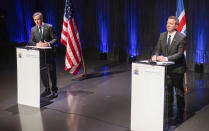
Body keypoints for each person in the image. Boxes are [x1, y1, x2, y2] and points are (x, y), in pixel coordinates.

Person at [151, 16, 186, 125]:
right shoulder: (162, 35)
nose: (168, 25)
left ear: (176, 26)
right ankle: (169, 114)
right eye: (167, 23)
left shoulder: (182, 37)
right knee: (168, 92)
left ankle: (180, 116)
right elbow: (158, 49)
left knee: (179, 93)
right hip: (166, 70)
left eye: (171, 23)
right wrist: (155, 56)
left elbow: (180, 54)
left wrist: (165, 58)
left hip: (178, 70)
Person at [30, 12, 58, 98]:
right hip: (40, 54)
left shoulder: (49, 27)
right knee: (43, 72)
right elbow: (31, 41)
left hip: (50, 54)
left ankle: (54, 90)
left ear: (42, 19)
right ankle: (47, 89)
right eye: (35, 20)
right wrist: (37, 44)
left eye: (38, 19)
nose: (36, 21)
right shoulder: (33, 29)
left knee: (52, 72)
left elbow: (55, 39)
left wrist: (48, 44)